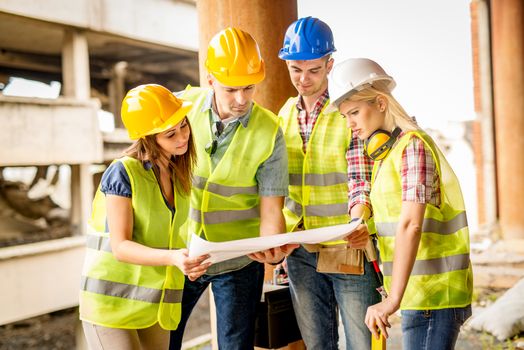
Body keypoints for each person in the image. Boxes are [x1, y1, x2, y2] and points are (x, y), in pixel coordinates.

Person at [328, 57, 473, 349]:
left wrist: (391, 300)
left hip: (434, 297)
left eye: (355, 112)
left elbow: (411, 223)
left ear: (381, 103)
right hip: (418, 295)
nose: (350, 124)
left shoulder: (413, 146)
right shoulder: (389, 155)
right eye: (346, 116)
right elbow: (395, 222)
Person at [169, 27, 295, 350]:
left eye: (249, 88)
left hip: (239, 262)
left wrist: (273, 246)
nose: (241, 100)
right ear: (210, 79)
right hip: (184, 255)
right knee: (164, 340)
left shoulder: (269, 132)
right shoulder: (179, 111)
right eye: (231, 89)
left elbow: (271, 211)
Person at [79, 84, 211, 350]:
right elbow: (121, 246)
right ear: (148, 138)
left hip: (156, 304)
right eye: (170, 133)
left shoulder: (179, 174)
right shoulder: (123, 173)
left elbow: (170, 238)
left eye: (183, 125)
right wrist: (174, 258)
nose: (182, 137)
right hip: (111, 305)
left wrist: (188, 261)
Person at [277, 16, 381, 350]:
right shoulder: (283, 115)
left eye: (313, 70)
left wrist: (360, 218)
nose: (303, 80)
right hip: (302, 250)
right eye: (296, 70)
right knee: (317, 344)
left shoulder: (345, 111)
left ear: (329, 65)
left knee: (360, 344)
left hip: (346, 243)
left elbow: (359, 175)